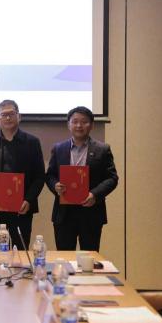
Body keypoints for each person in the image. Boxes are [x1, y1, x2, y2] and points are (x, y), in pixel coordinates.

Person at [45, 106, 118, 251]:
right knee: (65, 257)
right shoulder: (58, 148)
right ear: (69, 125)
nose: (79, 125)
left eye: (84, 122)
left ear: (91, 125)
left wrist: (94, 194)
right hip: (64, 214)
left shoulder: (102, 149)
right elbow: (50, 175)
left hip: (91, 212)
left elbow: (112, 178)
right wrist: (55, 186)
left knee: (89, 257)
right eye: (75, 121)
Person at [0, 100, 46, 250]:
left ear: (19, 117)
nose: (8, 118)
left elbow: (40, 176)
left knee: (20, 251)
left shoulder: (32, 142)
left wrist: (29, 199)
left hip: (22, 209)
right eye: (4, 115)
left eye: (11, 114)